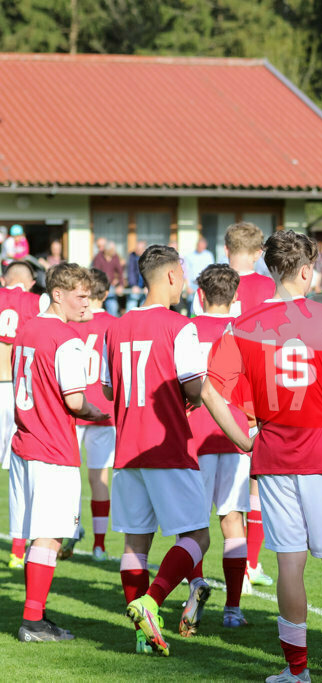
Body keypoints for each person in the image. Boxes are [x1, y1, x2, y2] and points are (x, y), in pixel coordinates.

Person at [204, 230, 322, 683]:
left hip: (273, 455)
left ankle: (296, 671)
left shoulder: (243, 323)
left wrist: (243, 437)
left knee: (289, 562)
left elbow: (212, 390)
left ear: (271, 268)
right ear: (308, 271)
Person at [101, 244, 210, 656]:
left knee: (134, 545)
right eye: (182, 274)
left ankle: (141, 637)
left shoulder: (115, 326)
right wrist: (199, 396)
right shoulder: (179, 325)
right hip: (167, 446)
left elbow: (110, 389)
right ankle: (152, 602)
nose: (184, 282)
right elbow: (194, 386)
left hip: (128, 447)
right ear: (169, 275)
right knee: (198, 534)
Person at [9, 263, 109, 643]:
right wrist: (96, 412)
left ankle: (36, 615)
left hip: (26, 442)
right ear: (58, 295)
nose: (88, 304)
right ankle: (33, 622)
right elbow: (75, 399)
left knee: (39, 538)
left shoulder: (28, 328)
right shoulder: (67, 337)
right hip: (52, 446)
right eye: (81, 296)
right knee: (50, 537)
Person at [192, 221, 277, 592]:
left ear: (226, 250)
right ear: (259, 253)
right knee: (243, 503)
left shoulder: (195, 316)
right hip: (247, 408)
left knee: (196, 519)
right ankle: (249, 568)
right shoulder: (267, 289)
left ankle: (197, 584)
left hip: (200, 422)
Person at [186, 264, 254, 629]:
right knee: (233, 521)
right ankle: (233, 609)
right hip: (236, 434)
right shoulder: (245, 331)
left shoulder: (186, 329)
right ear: (236, 297)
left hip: (195, 435)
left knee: (194, 525)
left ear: (200, 295)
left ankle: (194, 591)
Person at [0, 261, 47, 569]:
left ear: (5, 279)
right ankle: (19, 550)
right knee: (20, 472)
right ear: (31, 283)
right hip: (19, 392)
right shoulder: (37, 301)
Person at [74, 268, 117, 561]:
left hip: (72, 407)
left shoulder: (71, 321)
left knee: (68, 475)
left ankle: (70, 531)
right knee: (99, 476)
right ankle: (99, 544)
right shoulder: (116, 324)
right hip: (105, 408)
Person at [92, 241, 124, 316]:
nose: (114, 252)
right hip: (99, 286)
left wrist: (120, 285)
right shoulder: (98, 257)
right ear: (107, 250)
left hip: (110, 287)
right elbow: (95, 274)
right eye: (112, 250)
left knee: (113, 307)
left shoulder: (115, 257)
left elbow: (120, 272)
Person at [183, 238, 214, 309]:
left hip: (205, 284)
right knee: (191, 307)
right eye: (199, 246)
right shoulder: (189, 256)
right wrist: (188, 286)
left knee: (203, 306)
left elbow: (211, 271)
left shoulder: (208, 255)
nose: (200, 248)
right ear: (197, 245)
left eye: (202, 246)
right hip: (193, 285)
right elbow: (186, 272)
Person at [124, 241, 147, 311]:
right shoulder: (132, 256)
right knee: (131, 305)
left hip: (146, 287)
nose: (137, 251)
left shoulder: (148, 257)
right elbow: (131, 272)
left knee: (145, 307)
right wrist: (133, 285)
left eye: (139, 249)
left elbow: (149, 272)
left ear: (144, 250)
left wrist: (148, 285)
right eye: (137, 249)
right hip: (135, 287)